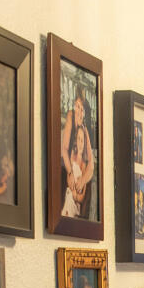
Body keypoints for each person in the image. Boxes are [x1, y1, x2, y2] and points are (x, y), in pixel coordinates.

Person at [61, 88, 95, 218]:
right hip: (66, 167)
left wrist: (83, 180)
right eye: (77, 107)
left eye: (82, 109)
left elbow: (91, 164)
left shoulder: (84, 130)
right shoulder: (71, 116)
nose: (79, 112)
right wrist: (70, 172)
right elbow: (64, 149)